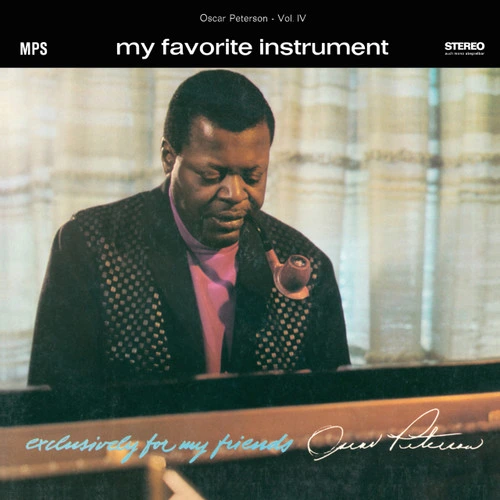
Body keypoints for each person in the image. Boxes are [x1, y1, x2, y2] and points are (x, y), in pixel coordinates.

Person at [28, 69, 350, 388]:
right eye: (211, 175)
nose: (234, 194)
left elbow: (337, 409)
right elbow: (53, 406)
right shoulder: (90, 247)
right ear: (169, 159)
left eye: (252, 177)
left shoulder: (311, 267)